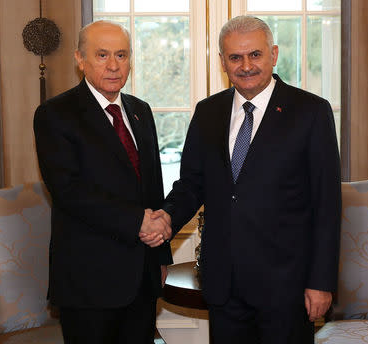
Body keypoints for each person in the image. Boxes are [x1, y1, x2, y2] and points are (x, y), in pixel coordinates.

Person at [142, 15, 341, 343]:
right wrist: (166, 218)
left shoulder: (311, 112)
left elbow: (327, 206)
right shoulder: (207, 112)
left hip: (286, 288)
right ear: (223, 62)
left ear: (274, 54)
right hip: (224, 285)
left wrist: (321, 282)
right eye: (235, 57)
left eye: (255, 55)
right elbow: (191, 184)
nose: (246, 65)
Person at [34, 21, 172, 344]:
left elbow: (152, 187)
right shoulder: (55, 114)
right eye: (102, 55)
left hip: (142, 278)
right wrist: (138, 220)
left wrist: (161, 256)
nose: (113, 65)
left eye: (121, 55)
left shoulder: (141, 111)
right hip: (89, 284)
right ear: (80, 59)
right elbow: (69, 191)